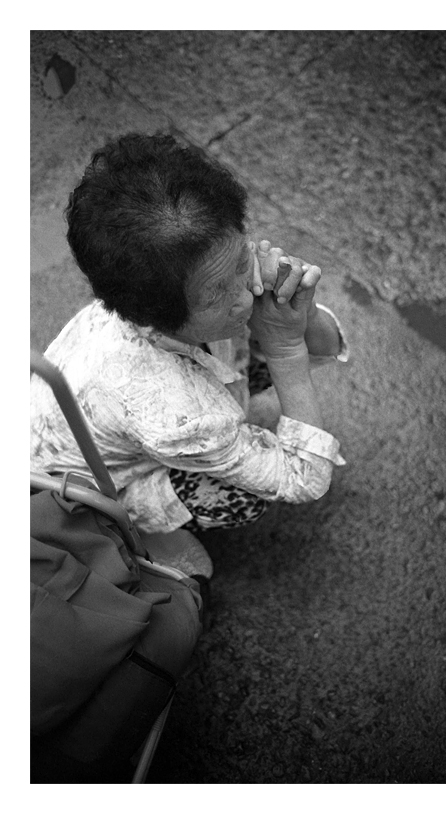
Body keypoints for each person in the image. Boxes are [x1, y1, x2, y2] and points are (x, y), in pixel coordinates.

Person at [30, 134, 348, 574]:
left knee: (252, 342)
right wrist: (285, 347)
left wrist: (302, 310)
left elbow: (324, 345)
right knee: (245, 495)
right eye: (216, 294)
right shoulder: (176, 415)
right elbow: (304, 477)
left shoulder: (160, 286)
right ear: (151, 317)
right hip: (84, 490)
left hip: (83, 420)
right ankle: (135, 532)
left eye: (242, 262)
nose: (246, 296)